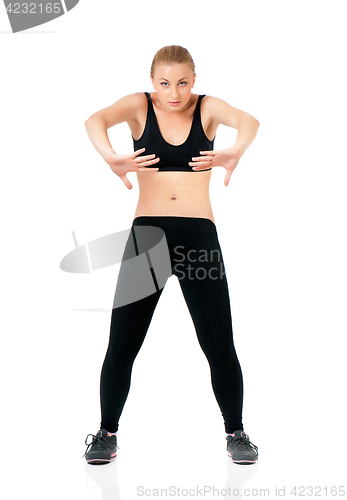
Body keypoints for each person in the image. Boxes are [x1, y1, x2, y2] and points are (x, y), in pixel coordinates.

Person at [82, 45, 259, 465]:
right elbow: (94, 120)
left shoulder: (209, 108)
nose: (174, 93)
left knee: (219, 344)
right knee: (122, 344)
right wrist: (110, 156)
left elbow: (249, 121)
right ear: (152, 82)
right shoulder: (139, 107)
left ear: (193, 80)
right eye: (164, 83)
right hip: (149, 239)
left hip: (199, 237)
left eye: (182, 82)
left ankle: (236, 433)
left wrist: (236, 150)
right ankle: (106, 433)